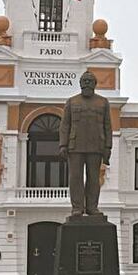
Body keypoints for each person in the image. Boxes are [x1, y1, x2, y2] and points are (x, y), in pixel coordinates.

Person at [58, 71, 113, 217]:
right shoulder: (72, 101)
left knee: (93, 178)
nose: (87, 83)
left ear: (95, 84)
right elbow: (65, 125)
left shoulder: (103, 102)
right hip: (75, 146)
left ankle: (92, 207)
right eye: (84, 80)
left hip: (96, 146)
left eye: (90, 81)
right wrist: (63, 145)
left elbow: (108, 126)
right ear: (80, 83)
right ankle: (77, 207)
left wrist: (108, 147)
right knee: (75, 177)